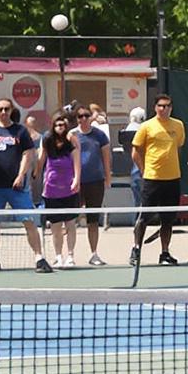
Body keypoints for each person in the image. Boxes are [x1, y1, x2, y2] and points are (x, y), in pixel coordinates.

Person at [0, 100, 48, 276]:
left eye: (7, 109)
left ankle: (39, 258)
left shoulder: (20, 131)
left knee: (28, 221)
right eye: (1, 109)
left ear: (11, 110)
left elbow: (28, 154)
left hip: (17, 188)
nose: (4, 112)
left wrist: (21, 176)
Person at [129, 95, 188, 268]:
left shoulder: (178, 125)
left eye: (168, 106)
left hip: (172, 179)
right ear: (155, 108)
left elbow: (178, 146)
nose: (164, 109)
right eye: (161, 106)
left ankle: (165, 253)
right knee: (144, 217)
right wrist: (144, 170)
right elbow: (135, 152)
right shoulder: (146, 126)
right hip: (152, 179)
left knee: (168, 219)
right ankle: (136, 250)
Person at [37, 115, 84, 271]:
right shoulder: (47, 142)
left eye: (62, 125)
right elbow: (41, 160)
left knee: (70, 223)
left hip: (69, 189)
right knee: (55, 226)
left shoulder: (72, 143)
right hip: (51, 190)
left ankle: (70, 256)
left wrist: (76, 180)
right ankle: (58, 256)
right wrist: (36, 173)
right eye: (57, 125)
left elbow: (77, 162)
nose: (60, 127)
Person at [71, 102, 113, 267]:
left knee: (93, 220)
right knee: (69, 219)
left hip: (95, 181)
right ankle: (68, 255)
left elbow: (106, 157)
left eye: (86, 116)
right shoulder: (72, 135)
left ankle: (94, 254)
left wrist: (107, 177)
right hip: (75, 183)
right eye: (80, 116)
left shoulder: (100, 135)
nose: (83, 119)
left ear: (91, 117)